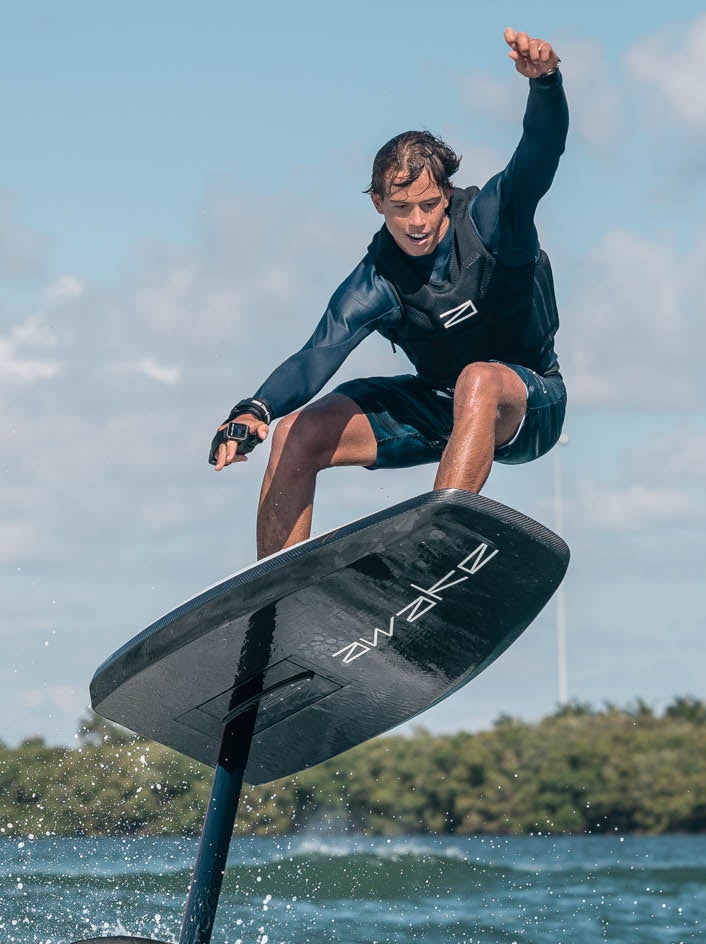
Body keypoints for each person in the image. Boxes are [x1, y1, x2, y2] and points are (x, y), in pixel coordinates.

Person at [209, 27, 568, 558]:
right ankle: (273, 605)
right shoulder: (377, 278)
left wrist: (546, 84)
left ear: (445, 193)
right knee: (295, 433)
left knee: (478, 380)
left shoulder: (494, 221)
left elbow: (541, 150)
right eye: (402, 209)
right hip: (441, 409)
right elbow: (318, 354)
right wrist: (255, 409)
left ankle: (434, 551)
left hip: (529, 403)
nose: (417, 223)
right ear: (378, 203)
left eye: (427, 205)